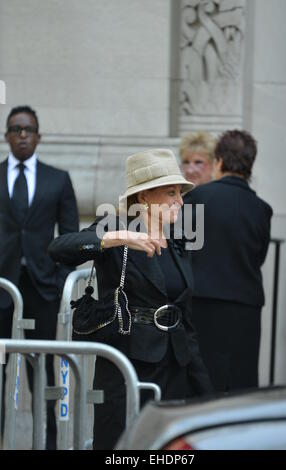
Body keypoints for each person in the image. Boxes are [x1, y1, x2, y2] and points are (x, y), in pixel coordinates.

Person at [49, 148, 213, 450]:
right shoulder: (114, 228)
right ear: (146, 196)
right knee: (121, 446)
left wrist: (203, 386)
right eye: (171, 192)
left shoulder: (177, 240)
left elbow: (184, 313)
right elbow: (59, 248)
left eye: (180, 193)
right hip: (127, 362)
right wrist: (120, 237)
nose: (180, 200)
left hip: (175, 362)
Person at [0, 106, 79, 449]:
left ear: (39, 136)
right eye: (16, 129)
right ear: (6, 136)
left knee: (42, 366)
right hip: (2, 287)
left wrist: (62, 280)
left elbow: (71, 235)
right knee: (1, 367)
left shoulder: (57, 179)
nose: (22, 135)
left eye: (28, 129)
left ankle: (45, 441)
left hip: (43, 287)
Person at [183, 130, 273, 393]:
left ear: (219, 161)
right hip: (246, 310)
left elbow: (182, 249)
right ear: (250, 165)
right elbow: (260, 256)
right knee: (240, 387)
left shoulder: (197, 199)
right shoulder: (262, 209)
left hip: (201, 306)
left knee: (201, 384)